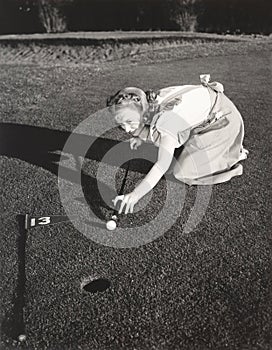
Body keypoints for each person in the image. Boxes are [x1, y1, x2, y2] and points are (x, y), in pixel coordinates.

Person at [107, 74, 248, 215]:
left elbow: (162, 164)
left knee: (182, 173)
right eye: (121, 124)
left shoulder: (167, 121)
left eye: (129, 122)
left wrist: (135, 195)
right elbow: (150, 124)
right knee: (168, 144)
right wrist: (140, 136)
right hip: (205, 117)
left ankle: (232, 154)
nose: (126, 129)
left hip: (223, 121)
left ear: (143, 113)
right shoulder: (150, 101)